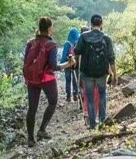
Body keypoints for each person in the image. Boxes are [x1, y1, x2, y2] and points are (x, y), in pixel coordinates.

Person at [22, 16, 75, 147]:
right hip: (46, 79)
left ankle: (30, 138)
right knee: (53, 101)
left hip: (32, 79)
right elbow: (53, 66)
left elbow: (25, 62)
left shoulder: (30, 43)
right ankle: (41, 130)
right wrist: (68, 64)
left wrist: (27, 78)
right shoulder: (51, 45)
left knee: (32, 109)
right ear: (49, 28)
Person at [74, 14, 117, 129]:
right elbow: (111, 58)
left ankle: (92, 124)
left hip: (87, 73)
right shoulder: (106, 38)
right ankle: (102, 121)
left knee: (89, 97)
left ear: (91, 24)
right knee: (102, 95)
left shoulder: (83, 37)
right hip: (102, 73)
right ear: (101, 24)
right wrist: (114, 75)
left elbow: (76, 51)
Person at [61, 26, 80, 102]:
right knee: (75, 80)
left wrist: (62, 65)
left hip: (67, 64)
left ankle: (68, 96)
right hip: (75, 63)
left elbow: (63, 55)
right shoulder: (77, 43)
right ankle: (75, 95)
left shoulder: (67, 43)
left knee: (68, 80)